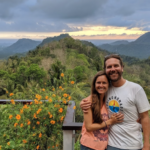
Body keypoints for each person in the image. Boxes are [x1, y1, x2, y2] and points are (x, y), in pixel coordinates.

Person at [80, 54, 150, 150]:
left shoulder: (136, 89)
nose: (113, 69)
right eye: (109, 67)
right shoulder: (106, 89)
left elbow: (145, 117)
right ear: (105, 70)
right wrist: (82, 103)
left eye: (116, 65)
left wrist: (147, 144)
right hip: (111, 145)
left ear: (122, 68)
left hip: (133, 144)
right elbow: (93, 96)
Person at [80, 71, 124, 150]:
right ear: (94, 84)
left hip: (102, 146)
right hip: (89, 146)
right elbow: (89, 127)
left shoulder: (107, 100)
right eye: (98, 83)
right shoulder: (89, 102)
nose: (101, 85)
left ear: (108, 85)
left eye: (104, 83)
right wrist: (110, 121)